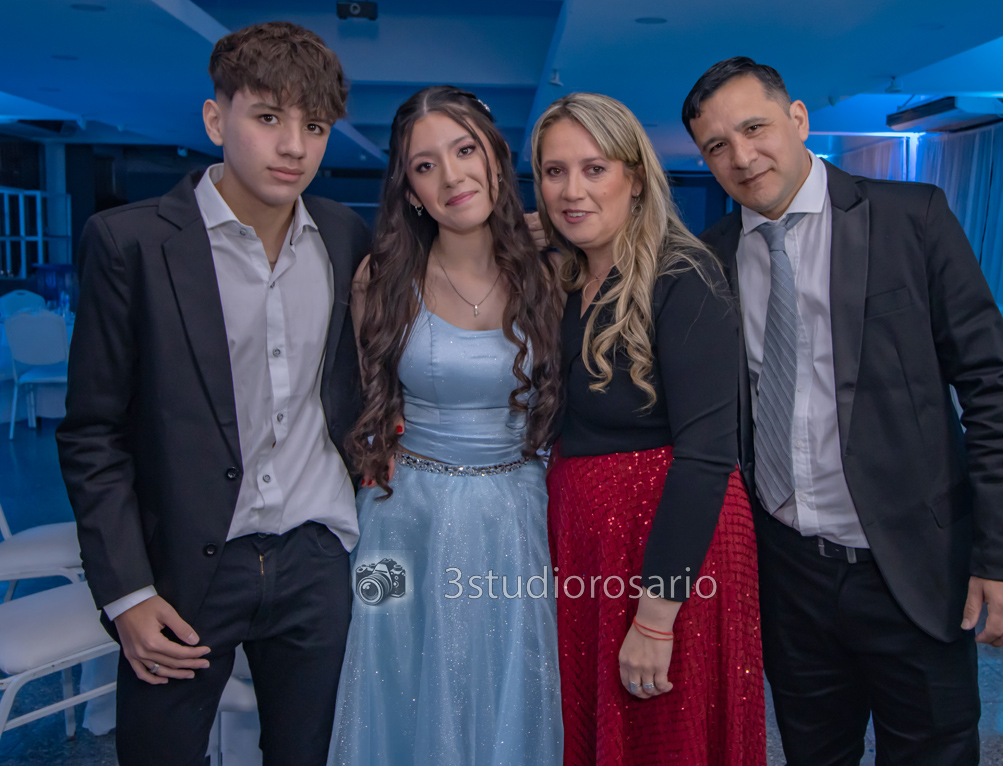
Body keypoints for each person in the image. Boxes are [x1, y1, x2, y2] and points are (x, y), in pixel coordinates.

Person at [684, 57, 1003, 765]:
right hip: (787, 572)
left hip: (910, 566)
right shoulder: (708, 258)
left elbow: (993, 386)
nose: (741, 157)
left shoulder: (912, 217)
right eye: (717, 146)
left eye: (754, 128)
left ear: (798, 119)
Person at [55, 22, 369, 766]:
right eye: (268, 117)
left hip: (314, 558)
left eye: (314, 127)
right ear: (214, 119)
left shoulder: (343, 234)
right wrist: (127, 593)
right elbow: (93, 432)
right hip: (184, 568)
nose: (293, 147)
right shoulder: (130, 243)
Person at [327, 85, 564, 765]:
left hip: (516, 513)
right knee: (392, 679)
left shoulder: (552, 271)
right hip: (403, 518)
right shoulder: (380, 278)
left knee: (509, 680)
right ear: (410, 192)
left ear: (495, 157)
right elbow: (365, 398)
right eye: (425, 165)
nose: (452, 176)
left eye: (465, 151)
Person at [535, 92, 766, 766]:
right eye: (554, 172)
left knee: (665, 742)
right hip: (594, 546)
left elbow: (707, 456)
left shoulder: (682, 273)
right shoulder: (567, 277)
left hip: (669, 549)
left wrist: (656, 616)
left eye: (594, 169)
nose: (572, 190)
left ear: (635, 177)